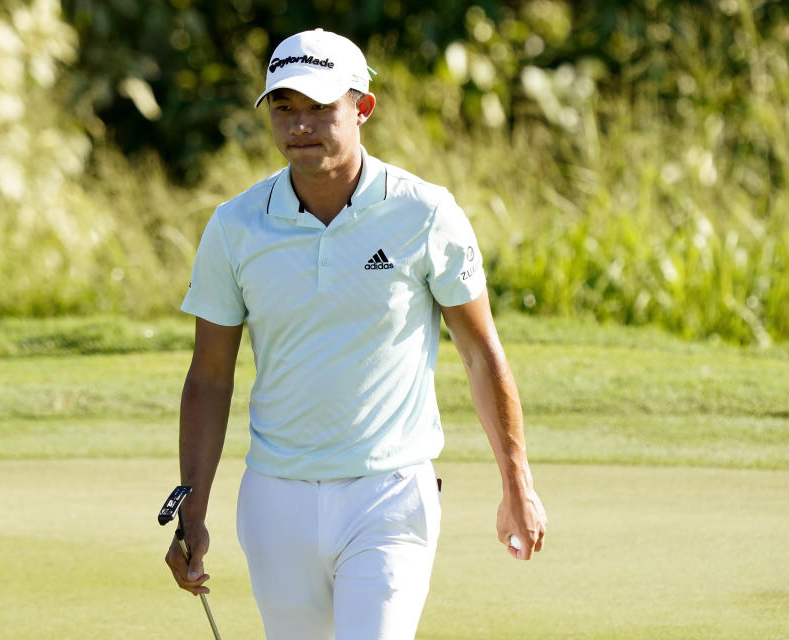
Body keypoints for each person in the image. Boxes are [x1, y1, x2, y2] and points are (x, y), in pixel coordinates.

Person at [165, 28, 547, 640]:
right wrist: (194, 509)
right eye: (285, 108)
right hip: (275, 499)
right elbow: (209, 377)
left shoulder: (425, 213)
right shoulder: (234, 226)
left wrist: (517, 485)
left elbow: (481, 355)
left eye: (320, 107)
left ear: (362, 108)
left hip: (389, 495)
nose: (300, 125)